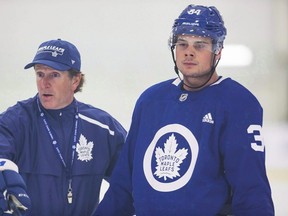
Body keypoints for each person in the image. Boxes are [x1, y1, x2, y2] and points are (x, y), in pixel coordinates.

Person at [93, 4, 274, 216]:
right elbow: (123, 186)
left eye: (200, 45)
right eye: (182, 43)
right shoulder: (151, 100)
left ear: (218, 52)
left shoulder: (238, 103)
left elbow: (251, 190)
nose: (189, 51)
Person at [0, 39, 127, 216]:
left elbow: (131, 182)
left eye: (54, 75)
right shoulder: (15, 121)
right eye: (40, 74)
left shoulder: (103, 129)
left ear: (75, 80)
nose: (45, 83)